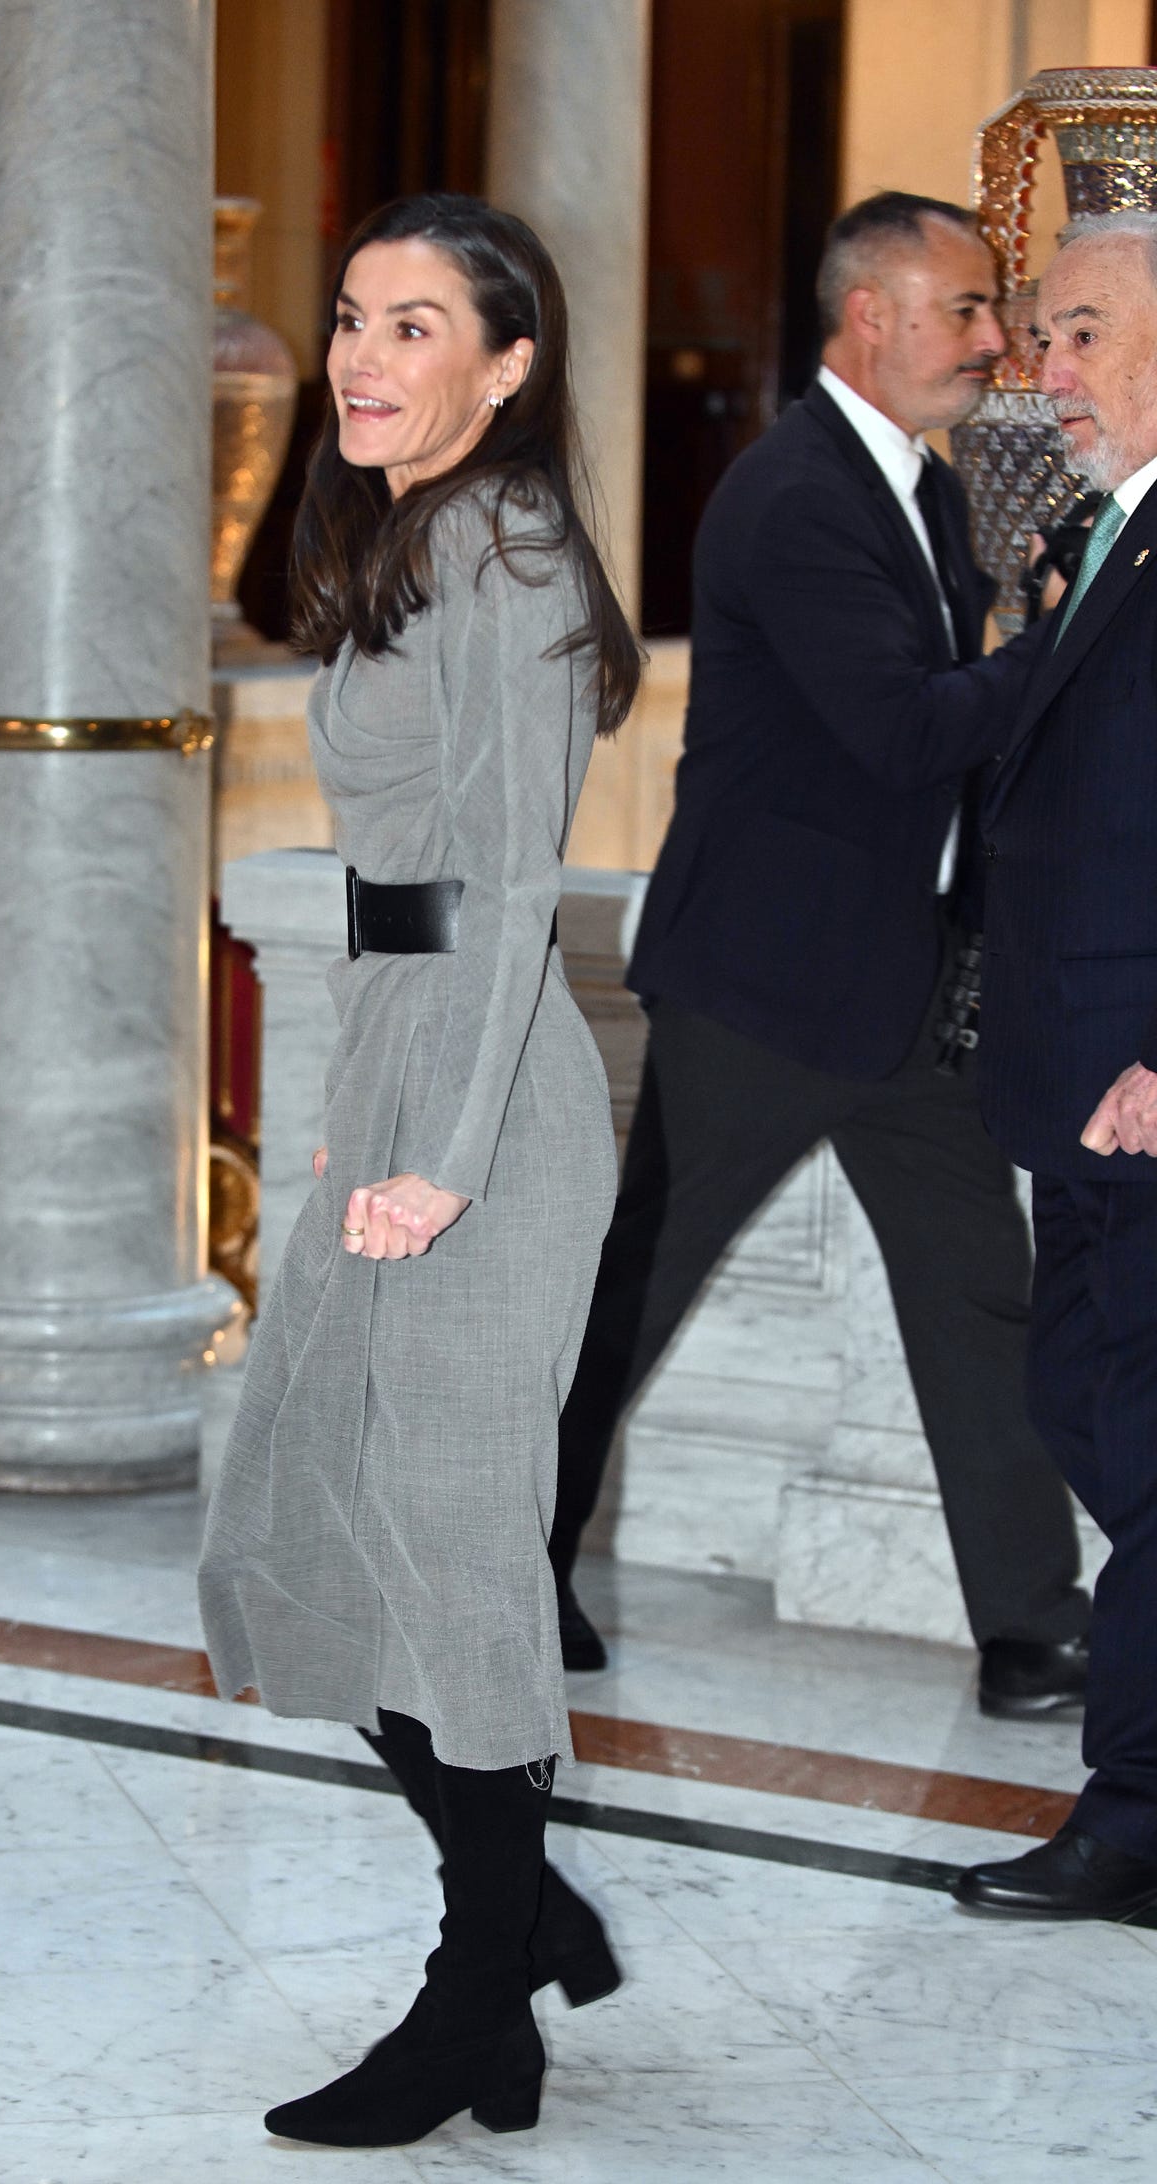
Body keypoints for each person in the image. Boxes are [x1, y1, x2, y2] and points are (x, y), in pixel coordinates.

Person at [198, 192, 639, 2148]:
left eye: (414, 325)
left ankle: (477, 2003)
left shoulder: (509, 552)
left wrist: (441, 1156)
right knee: (315, 1524)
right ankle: (524, 1918)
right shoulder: (413, 538)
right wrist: (359, 1095)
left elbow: (509, 886)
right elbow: (403, 889)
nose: (362, 358)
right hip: (414, 1075)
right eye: (351, 318)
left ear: (508, 365)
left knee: (446, 1566)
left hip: (492, 1117)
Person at [549, 192, 1092, 1715]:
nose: (994, 340)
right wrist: (1069, 636)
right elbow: (905, 730)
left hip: (907, 987)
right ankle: (502, 1567)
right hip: (764, 988)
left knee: (978, 1296)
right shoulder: (793, 494)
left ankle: (1032, 1635)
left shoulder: (912, 486)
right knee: (635, 1288)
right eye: (967, 309)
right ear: (871, 315)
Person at [955, 211, 1157, 1920]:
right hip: (1072, 1067)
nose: (1048, 367)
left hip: (1141, 1079)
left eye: (1083, 331)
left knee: (1141, 1428)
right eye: (1045, 332)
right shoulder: (1109, 531)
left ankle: (1137, 1810)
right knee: (1078, 1397)